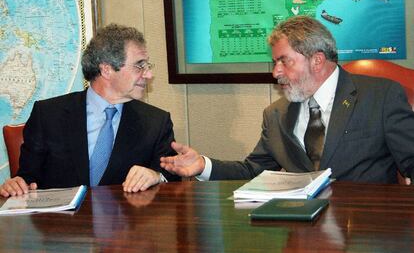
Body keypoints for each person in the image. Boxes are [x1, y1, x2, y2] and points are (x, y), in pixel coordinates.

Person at [160, 15, 414, 184]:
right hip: (300, 232)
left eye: (284, 61)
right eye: (274, 62)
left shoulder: (381, 96)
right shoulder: (276, 114)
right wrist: (202, 165)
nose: (275, 72)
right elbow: (253, 171)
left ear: (316, 60)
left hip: (366, 231)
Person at [0, 24, 180, 197]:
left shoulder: (156, 122)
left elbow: (173, 175)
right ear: (107, 69)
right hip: (60, 225)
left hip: (126, 225)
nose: (149, 75)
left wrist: (156, 176)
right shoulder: (47, 115)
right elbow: (27, 177)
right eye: (139, 66)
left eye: (147, 66)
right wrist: (16, 184)